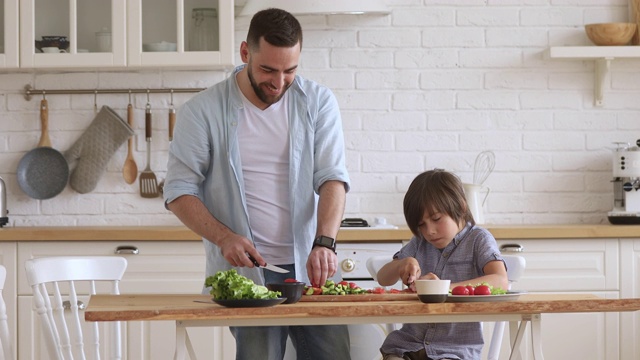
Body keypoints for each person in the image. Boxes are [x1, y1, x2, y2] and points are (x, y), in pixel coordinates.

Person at [162, 8, 351, 360]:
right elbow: (178, 191)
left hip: (310, 272)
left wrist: (325, 242)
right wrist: (224, 237)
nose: (279, 83)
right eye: (268, 70)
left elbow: (333, 178)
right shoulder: (201, 111)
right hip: (248, 276)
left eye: (290, 71)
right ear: (245, 53)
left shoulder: (319, 103)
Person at [376, 169, 508, 360]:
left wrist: (441, 289)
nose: (429, 231)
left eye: (436, 219)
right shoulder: (420, 242)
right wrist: (402, 264)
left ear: (461, 207)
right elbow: (383, 278)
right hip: (406, 347)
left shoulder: (478, 239)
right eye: (421, 224)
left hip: (454, 351)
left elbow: (500, 280)